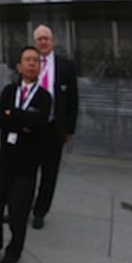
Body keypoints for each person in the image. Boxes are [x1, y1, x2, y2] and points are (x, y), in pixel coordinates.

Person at [0, 46, 51, 263]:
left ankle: (14, 251)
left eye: (36, 60)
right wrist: (22, 121)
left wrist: (13, 114)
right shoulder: (9, 91)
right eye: (28, 60)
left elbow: (38, 123)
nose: (32, 63)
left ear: (40, 67)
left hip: (26, 166)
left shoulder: (44, 97)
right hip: (4, 161)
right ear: (19, 66)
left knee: (17, 214)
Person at [31, 24, 79, 230]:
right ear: (35, 42)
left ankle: (40, 212)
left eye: (46, 38)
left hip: (53, 128)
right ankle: (20, 206)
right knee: (26, 171)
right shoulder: (29, 62)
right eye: (39, 39)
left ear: (52, 41)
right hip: (30, 128)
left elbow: (73, 99)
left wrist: (69, 129)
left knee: (49, 174)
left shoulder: (66, 66)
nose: (43, 42)